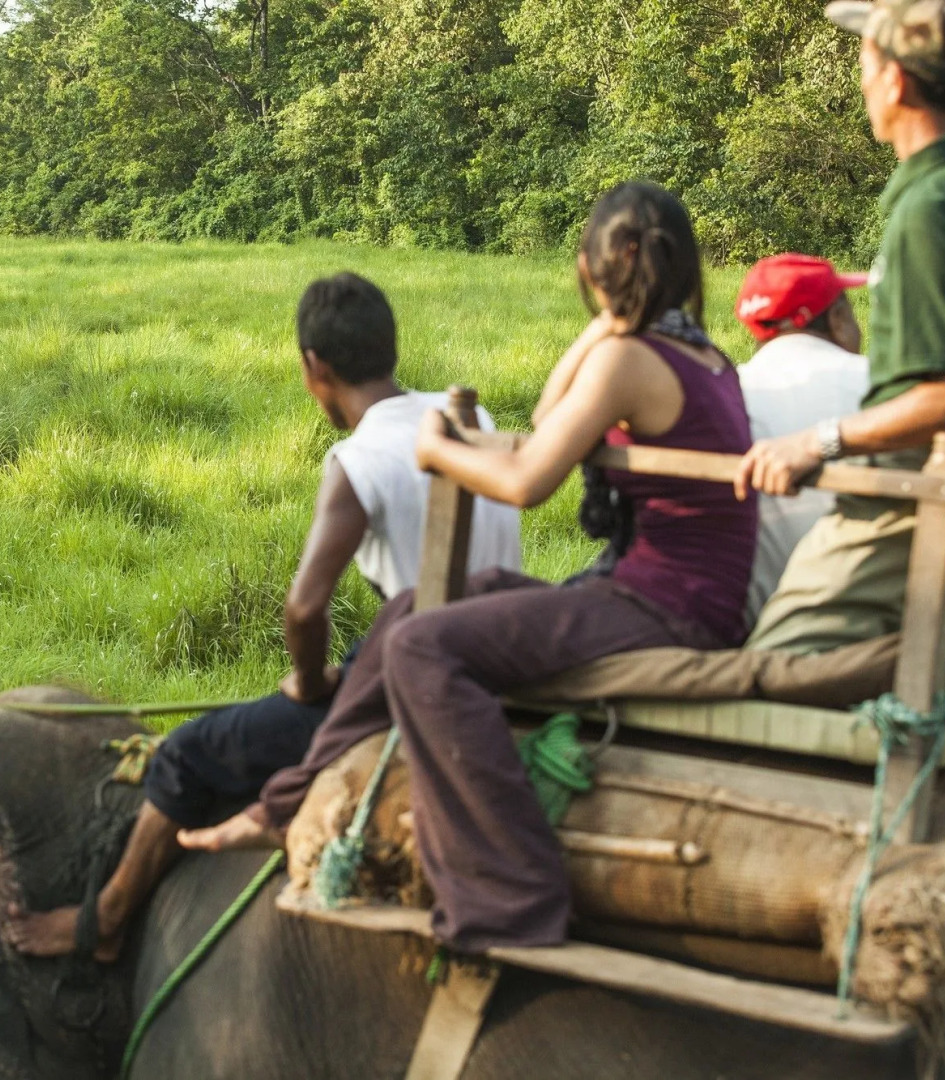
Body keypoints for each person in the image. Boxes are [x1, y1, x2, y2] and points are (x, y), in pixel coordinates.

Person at [183, 183, 758, 952]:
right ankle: (285, 802)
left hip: (668, 602)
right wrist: (614, 314)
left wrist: (438, 450)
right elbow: (556, 414)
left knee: (427, 645)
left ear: (594, 267)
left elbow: (526, 481)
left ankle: (509, 895)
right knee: (418, 607)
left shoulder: (632, 356)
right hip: (663, 584)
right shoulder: (696, 350)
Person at [4, 272, 521, 960]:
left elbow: (304, 607)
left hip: (419, 672)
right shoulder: (468, 418)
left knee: (186, 754)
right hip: (497, 643)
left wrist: (309, 682)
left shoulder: (359, 458)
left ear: (316, 368)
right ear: (389, 347)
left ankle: (104, 920)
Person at [738, 0, 945, 654]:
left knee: (779, 660)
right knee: (914, 653)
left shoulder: (931, 205)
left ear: (896, 80)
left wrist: (817, 441)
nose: (862, 79)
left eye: (865, 61)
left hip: (918, 490)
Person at [734, 254, 870, 622]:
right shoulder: (884, 388)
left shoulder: (727, 390)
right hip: (868, 611)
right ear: (839, 319)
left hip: (752, 615)